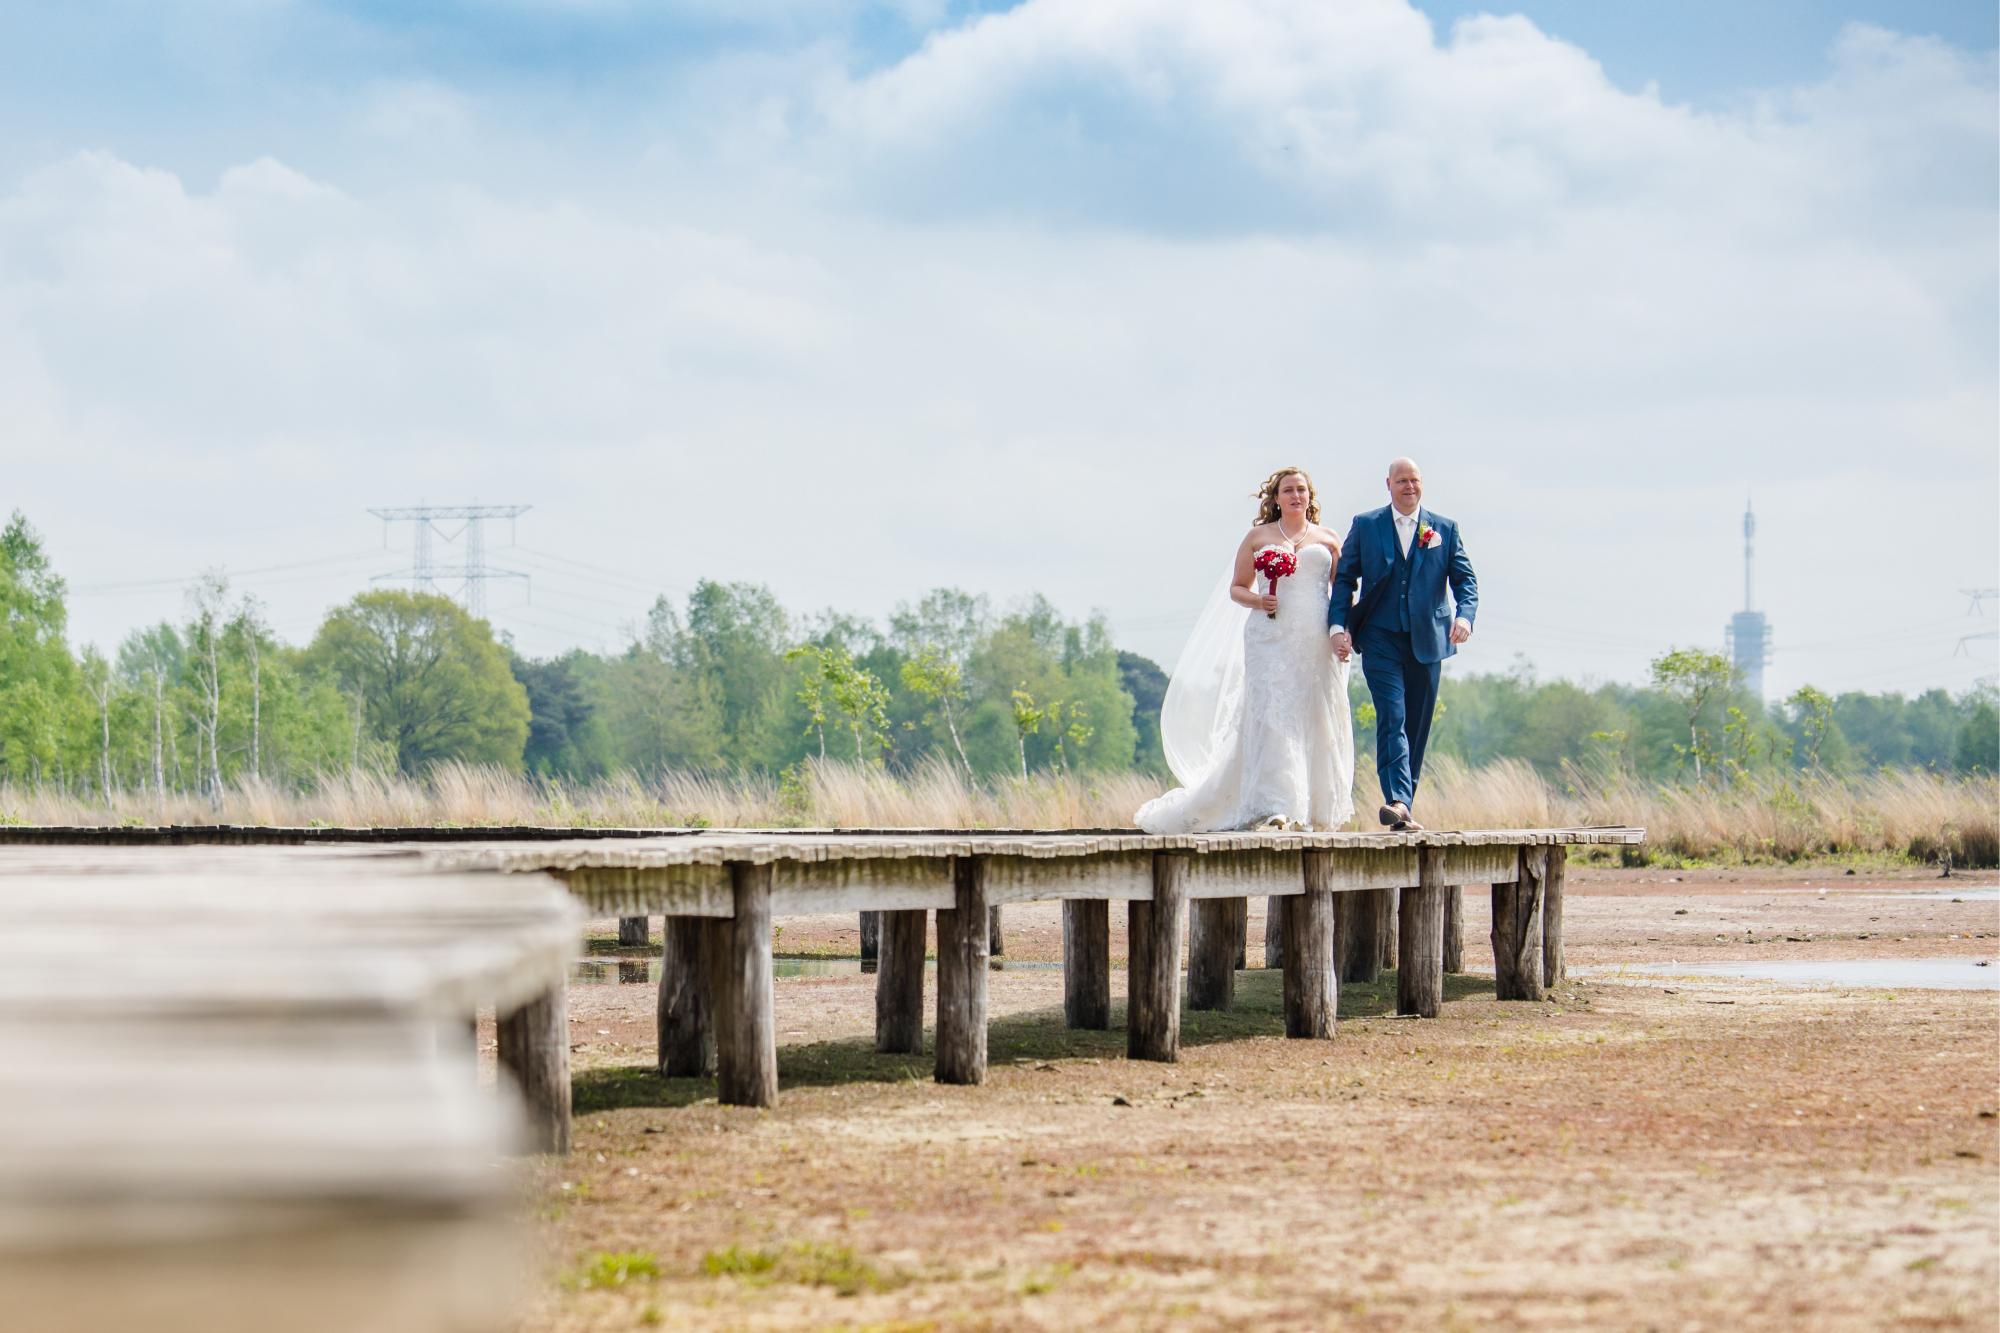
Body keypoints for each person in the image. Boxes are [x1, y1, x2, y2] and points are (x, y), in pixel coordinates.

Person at [1135, 466, 1356, 833]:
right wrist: (1259, 601)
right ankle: (1277, 806)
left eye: (1302, 489)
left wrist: (1340, 631)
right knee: (1272, 713)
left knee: (1314, 714)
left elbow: (1343, 593)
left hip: (1313, 639)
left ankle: (1313, 805)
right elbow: (1237, 588)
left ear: (1310, 496)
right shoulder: (1259, 537)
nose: (1296, 495)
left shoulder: (1329, 538)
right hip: (1269, 639)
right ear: (1276, 498)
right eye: (1288, 490)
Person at [1328, 457, 1478, 832]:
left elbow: (1466, 581)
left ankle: (1404, 805)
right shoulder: (1366, 526)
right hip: (1379, 637)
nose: (1409, 487)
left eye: (1415, 481)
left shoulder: (1444, 528)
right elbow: (1345, 579)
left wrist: (1464, 617)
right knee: (1392, 717)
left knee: (1417, 723)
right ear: (1388, 484)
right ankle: (1397, 798)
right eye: (1402, 481)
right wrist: (1337, 625)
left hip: (1429, 639)